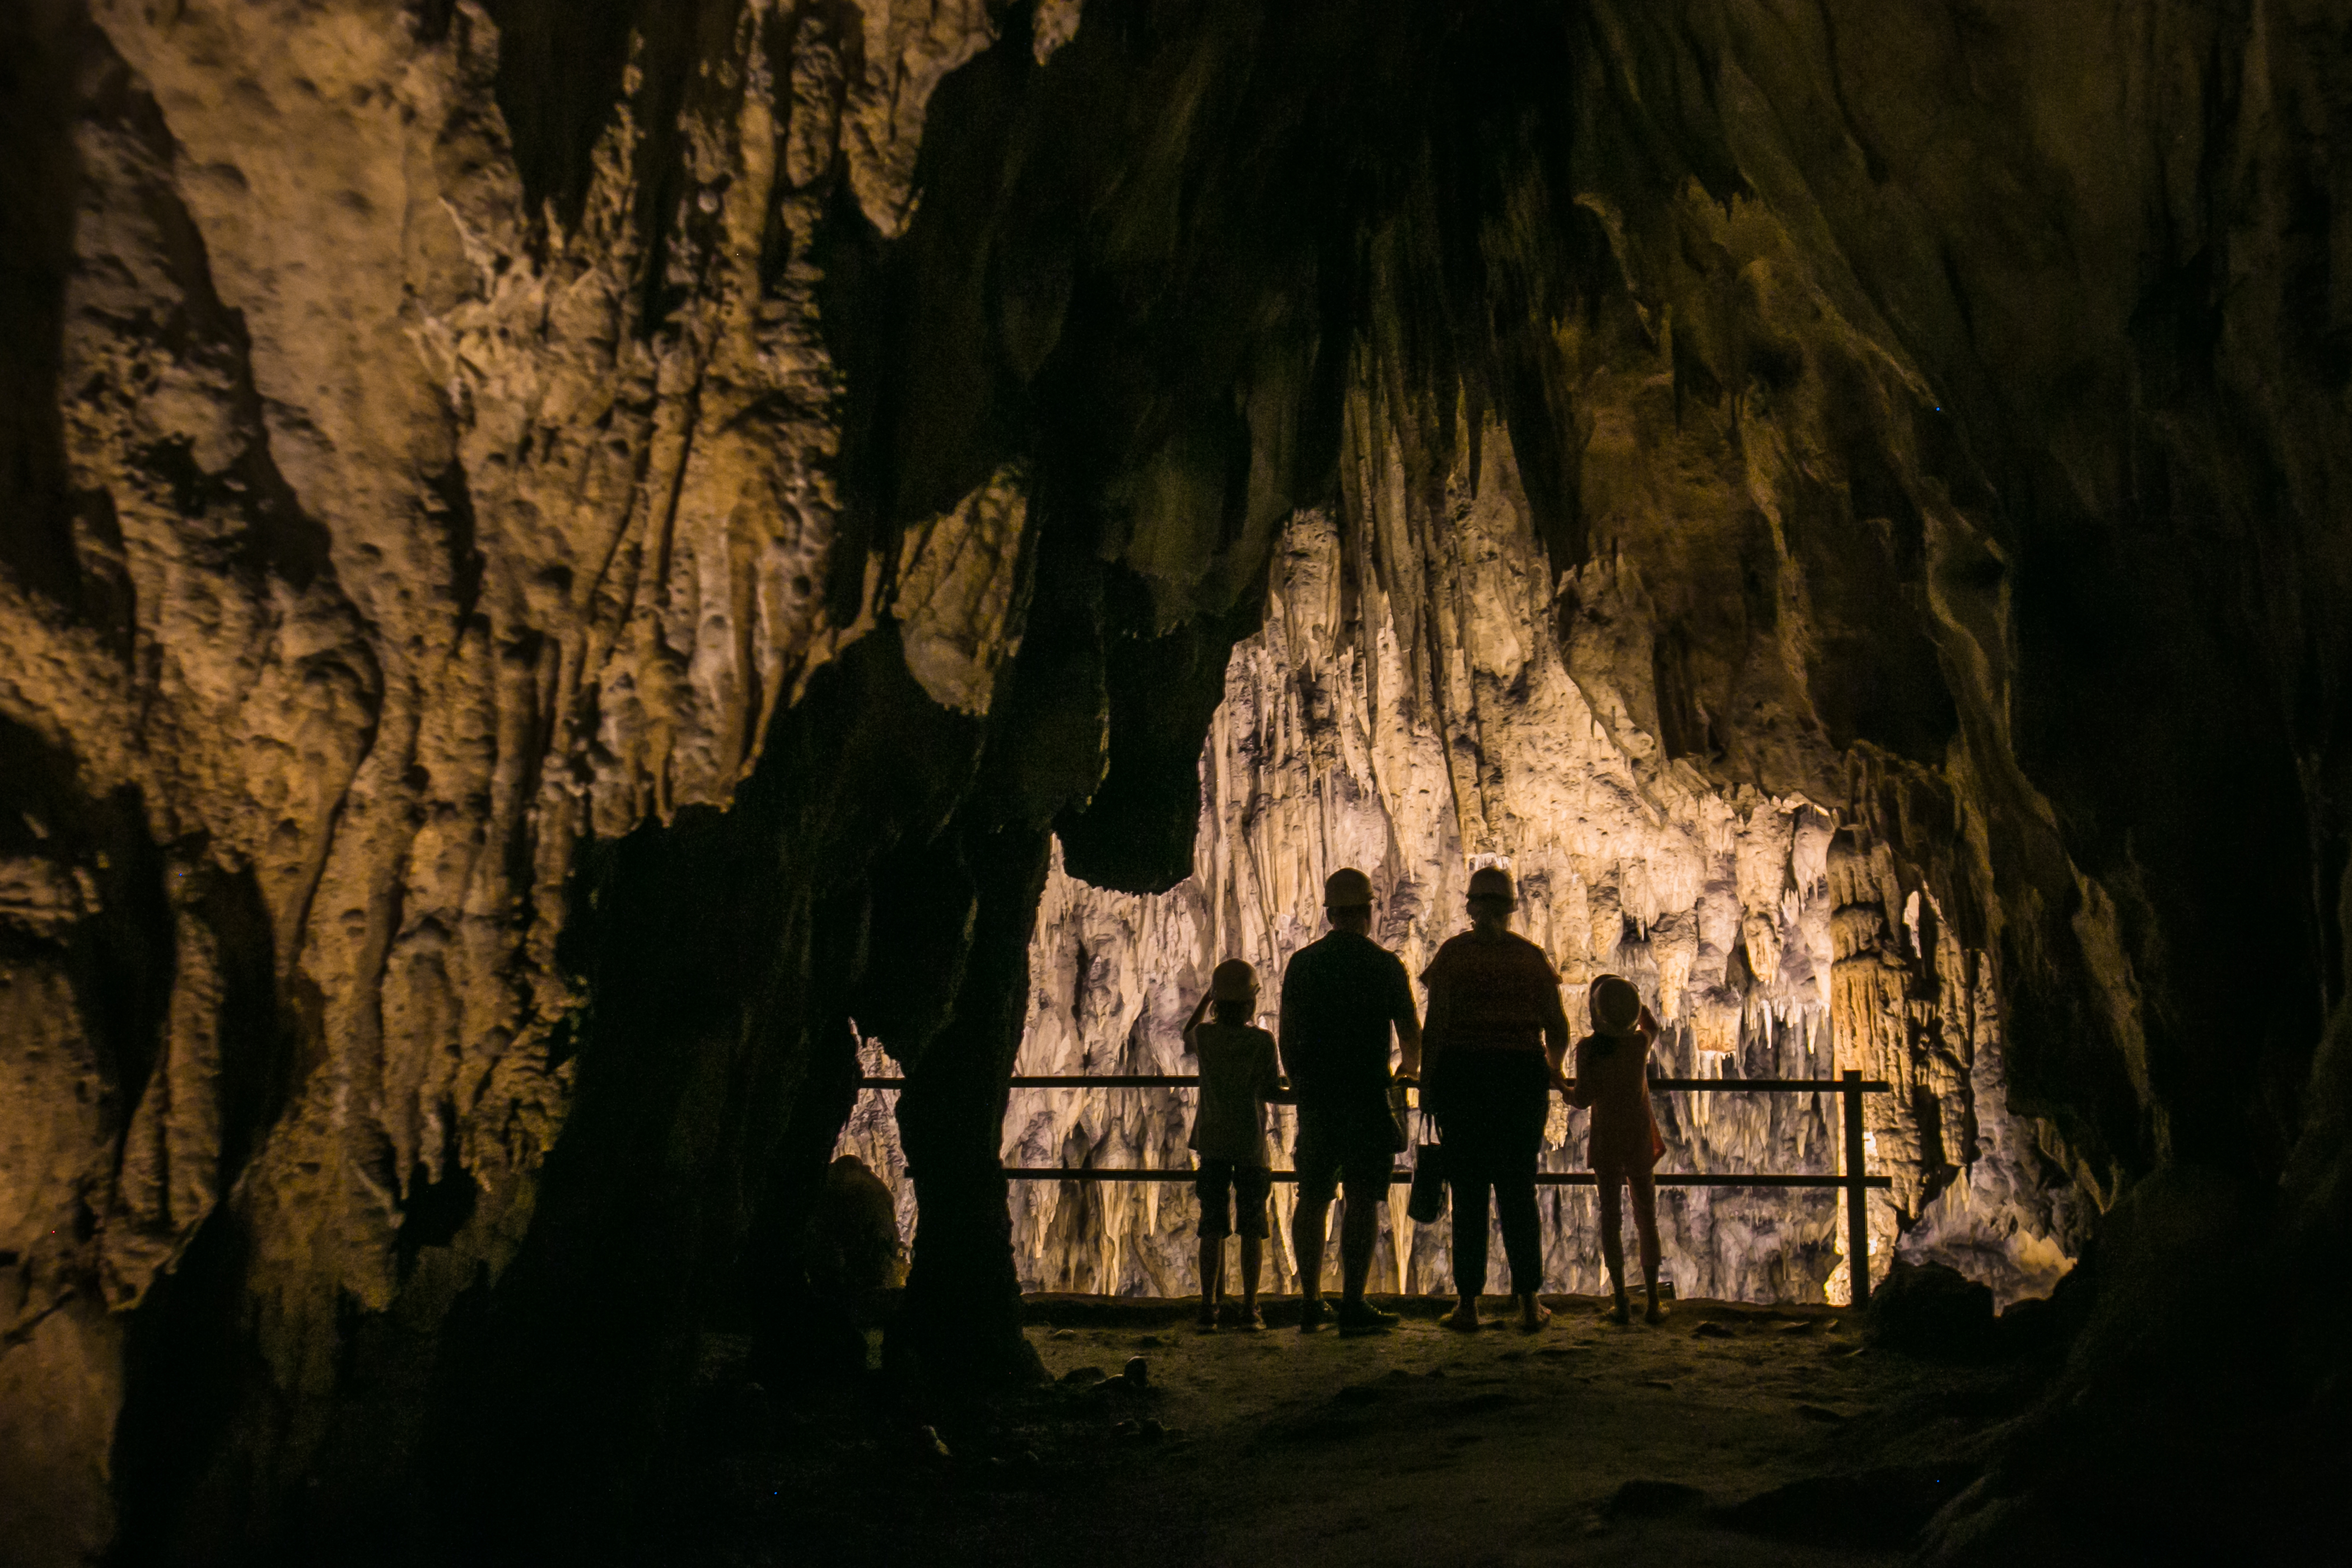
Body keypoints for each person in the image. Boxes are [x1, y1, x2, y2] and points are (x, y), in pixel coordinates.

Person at [1419, 865, 1570, 1332]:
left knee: (1468, 1193)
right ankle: (1528, 1303)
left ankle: (1468, 1305)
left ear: (1470, 908)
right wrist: (1554, 1067)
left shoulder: (1452, 956)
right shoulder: (1530, 958)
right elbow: (1558, 1027)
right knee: (1517, 1192)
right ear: (1510, 910)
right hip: (1518, 1081)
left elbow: (1436, 1026)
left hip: (1463, 1079)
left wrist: (1428, 1084)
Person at [1278, 867, 1422, 1333]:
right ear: (1366, 912)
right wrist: (1406, 1075)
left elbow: (1288, 1035)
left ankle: (1309, 1300)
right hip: (1366, 1095)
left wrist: (1299, 1080)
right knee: (1362, 1198)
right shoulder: (1384, 966)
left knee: (1314, 1196)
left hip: (1318, 1095)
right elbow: (1411, 1036)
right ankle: (1353, 1303)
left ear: (1329, 913)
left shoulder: (1303, 964)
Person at [1183, 959, 1284, 1329]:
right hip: (1250, 1146)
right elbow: (1273, 1088)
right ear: (1249, 1004)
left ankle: (1208, 1307)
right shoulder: (1261, 1040)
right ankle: (1250, 1308)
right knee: (1252, 1228)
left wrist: (1206, 998)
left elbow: (1187, 1033)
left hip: (1211, 1144)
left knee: (1212, 1227)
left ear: (1217, 1002)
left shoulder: (1206, 1038)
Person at [1567, 974, 1669, 1324]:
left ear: (1597, 1016)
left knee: (1611, 1217)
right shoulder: (1639, 1044)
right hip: (1639, 1138)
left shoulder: (1589, 1049)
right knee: (1647, 1218)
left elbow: (1580, 1099)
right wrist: (1632, 999)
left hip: (1608, 1140)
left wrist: (1555, 1081)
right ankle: (1655, 1302)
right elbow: (1651, 1024)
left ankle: (1622, 1299)